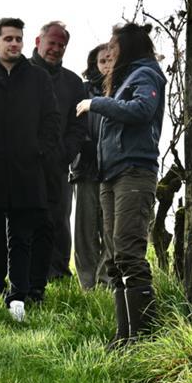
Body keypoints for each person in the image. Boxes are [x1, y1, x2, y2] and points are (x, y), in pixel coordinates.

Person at [0, 17, 60, 323]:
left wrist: (38, 149)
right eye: (8, 39)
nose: (14, 44)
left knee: (22, 237)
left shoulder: (38, 78)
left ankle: (17, 296)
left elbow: (52, 120)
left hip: (27, 170)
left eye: (19, 39)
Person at [76, 23, 166, 349]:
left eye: (114, 45)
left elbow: (142, 110)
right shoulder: (127, 78)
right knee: (116, 260)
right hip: (111, 176)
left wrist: (95, 104)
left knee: (129, 254)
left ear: (127, 46)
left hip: (133, 173)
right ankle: (124, 336)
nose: (109, 51)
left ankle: (142, 336)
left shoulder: (145, 75)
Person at [29, 21, 87, 301]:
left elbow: (79, 126)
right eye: (52, 43)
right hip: (22, 162)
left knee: (58, 220)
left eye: (61, 45)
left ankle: (58, 274)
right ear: (38, 41)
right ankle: (20, 276)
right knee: (19, 220)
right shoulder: (19, 73)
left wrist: (66, 151)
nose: (56, 49)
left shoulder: (74, 83)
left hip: (58, 163)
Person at [70, 43, 110, 290]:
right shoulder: (83, 90)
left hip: (113, 169)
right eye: (102, 60)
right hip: (85, 166)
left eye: (111, 59)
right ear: (94, 64)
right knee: (85, 230)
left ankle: (106, 281)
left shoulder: (123, 90)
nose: (107, 64)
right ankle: (87, 284)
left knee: (110, 229)